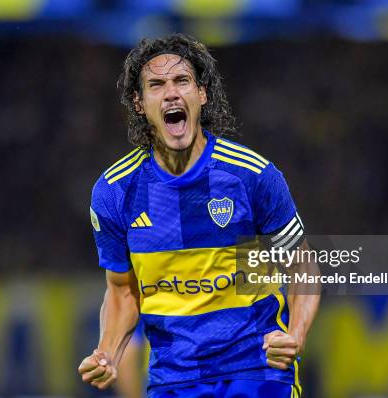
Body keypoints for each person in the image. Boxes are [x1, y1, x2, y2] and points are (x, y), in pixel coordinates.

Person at [78, 33, 320, 398]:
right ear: (140, 103)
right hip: (174, 380)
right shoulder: (114, 192)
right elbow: (122, 290)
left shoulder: (253, 176)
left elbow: (303, 267)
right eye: (156, 85)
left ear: (201, 94)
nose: (171, 93)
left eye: (182, 81)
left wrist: (297, 334)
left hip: (255, 371)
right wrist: (108, 351)